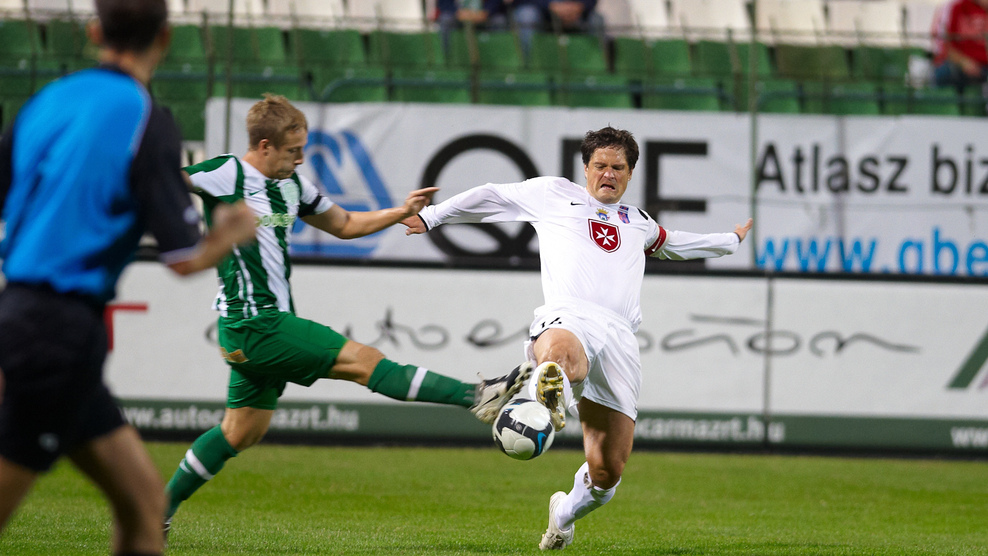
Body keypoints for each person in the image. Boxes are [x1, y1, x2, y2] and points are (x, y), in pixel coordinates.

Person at [162, 94, 529, 536]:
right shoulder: (226, 173)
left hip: (258, 327)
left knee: (240, 432)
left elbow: (344, 224)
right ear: (263, 146)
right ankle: (477, 394)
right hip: (255, 324)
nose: (300, 159)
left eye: (302, 149)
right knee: (364, 361)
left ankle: (157, 511)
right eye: (292, 151)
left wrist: (400, 212)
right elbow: (163, 178)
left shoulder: (293, 185)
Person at [403, 126, 752, 551]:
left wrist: (730, 241)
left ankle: (563, 512)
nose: (608, 174)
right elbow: (491, 195)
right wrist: (432, 216)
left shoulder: (639, 222)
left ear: (630, 173)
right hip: (568, 313)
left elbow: (675, 243)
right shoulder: (553, 194)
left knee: (607, 474)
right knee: (566, 356)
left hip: (620, 338)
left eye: (618, 168)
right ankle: (544, 398)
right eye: (600, 165)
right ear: (585, 168)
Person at [0, 1, 258, 555]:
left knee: (144, 509)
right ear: (165, 38)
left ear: (95, 31)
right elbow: (184, 256)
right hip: (57, 333)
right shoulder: (147, 119)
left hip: (22, 314)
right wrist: (231, 232)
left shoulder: (48, 100)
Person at [508, 0, 606, 57]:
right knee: (527, 15)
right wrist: (550, 6)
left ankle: (595, 72)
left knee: (596, 19)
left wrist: (579, 6)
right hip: (541, 11)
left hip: (574, 11)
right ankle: (528, 68)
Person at [931, 0, 988, 92]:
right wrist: (964, 62)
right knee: (943, 73)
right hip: (961, 64)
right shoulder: (957, 7)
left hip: (984, 66)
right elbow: (945, 46)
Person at [437, 0, 509, 54]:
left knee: (500, 20)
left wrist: (486, 12)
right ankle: (447, 56)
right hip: (458, 16)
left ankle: (499, 55)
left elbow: (496, 2)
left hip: (484, 15)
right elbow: (444, 3)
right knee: (445, 19)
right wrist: (457, 12)